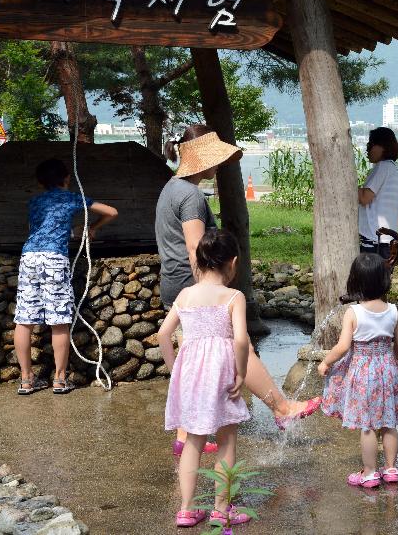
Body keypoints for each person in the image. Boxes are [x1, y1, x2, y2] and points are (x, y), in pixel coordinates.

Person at [157, 124, 320, 456]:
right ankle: (281, 407)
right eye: (214, 159)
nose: (217, 166)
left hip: (174, 283)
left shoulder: (171, 188)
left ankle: (184, 433)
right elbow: (194, 247)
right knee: (234, 347)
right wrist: (210, 288)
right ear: (202, 159)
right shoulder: (189, 196)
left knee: (197, 354)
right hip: (192, 283)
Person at [158, 229, 252, 528]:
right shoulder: (234, 296)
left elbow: (163, 334)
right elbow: (240, 340)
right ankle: (221, 510)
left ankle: (185, 510)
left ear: (199, 261)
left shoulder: (186, 295)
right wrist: (240, 372)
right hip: (222, 373)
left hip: (191, 375)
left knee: (193, 440)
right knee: (226, 439)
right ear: (233, 263)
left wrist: (175, 370)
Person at [14, 159, 118, 395]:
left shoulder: (34, 201)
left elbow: (44, 227)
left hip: (29, 257)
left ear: (40, 182)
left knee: (24, 320)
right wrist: (94, 227)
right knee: (59, 320)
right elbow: (112, 212)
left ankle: (26, 380)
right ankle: (60, 380)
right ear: (67, 178)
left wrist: (72, 230)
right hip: (54, 259)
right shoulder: (72, 198)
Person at [318, 253, 398, 488]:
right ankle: (391, 468)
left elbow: (343, 346)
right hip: (387, 368)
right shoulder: (393, 310)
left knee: (367, 426)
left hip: (364, 373)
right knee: (388, 422)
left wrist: (326, 362)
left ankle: (369, 472)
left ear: (354, 281)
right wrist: (396, 359)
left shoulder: (354, 312)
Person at [358, 127, 398, 258]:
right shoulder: (392, 168)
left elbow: (365, 198)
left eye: (370, 144)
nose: (367, 149)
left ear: (383, 147)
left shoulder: (383, 167)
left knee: (370, 278)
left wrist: (345, 184)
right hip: (387, 239)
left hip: (376, 240)